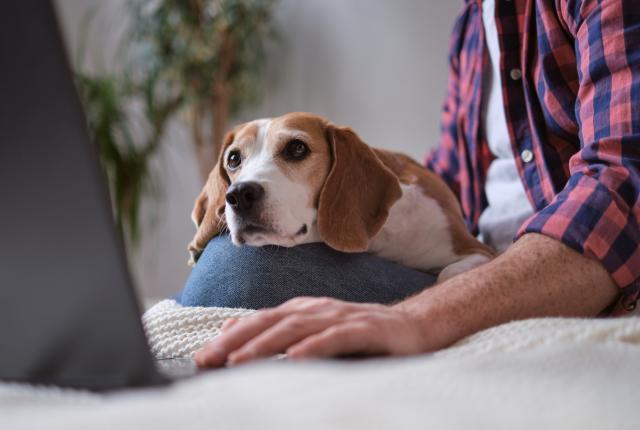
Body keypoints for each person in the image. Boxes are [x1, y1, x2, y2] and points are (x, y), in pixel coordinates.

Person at [184, 0, 640, 368]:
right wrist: (371, 184)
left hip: (562, 276)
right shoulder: (471, 25)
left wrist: (417, 319)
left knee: (234, 272)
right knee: (226, 262)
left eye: (295, 151)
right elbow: (449, 178)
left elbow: (624, 184)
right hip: (464, 260)